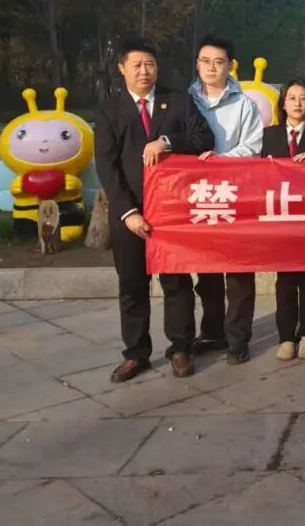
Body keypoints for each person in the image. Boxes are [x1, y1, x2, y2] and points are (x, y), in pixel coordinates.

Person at [95, 37, 214, 382]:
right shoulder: (109, 110)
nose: (144, 71)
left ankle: (181, 347)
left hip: (172, 212)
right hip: (130, 214)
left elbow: (203, 139)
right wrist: (127, 213)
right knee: (132, 286)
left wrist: (167, 142)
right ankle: (136, 354)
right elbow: (106, 166)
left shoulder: (178, 101)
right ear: (122, 69)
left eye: (150, 64)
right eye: (137, 65)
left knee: (177, 283)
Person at [187, 34, 264, 365]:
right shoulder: (185, 101)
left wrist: (221, 161)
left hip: (236, 195)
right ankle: (212, 332)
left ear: (230, 66)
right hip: (199, 195)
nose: (211, 68)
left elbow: (253, 147)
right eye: (205, 61)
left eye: (219, 62)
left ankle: (238, 338)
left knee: (239, 273)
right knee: (206, 272)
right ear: (197, 64)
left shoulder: (245, 105)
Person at [261, 79, 305, 361]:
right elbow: (256, 174)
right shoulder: (269, 135)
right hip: (280, 216)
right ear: (283, 103)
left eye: (303, 98)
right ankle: (285, 337)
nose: (297, 103)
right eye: (291, 98)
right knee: (285, 278)